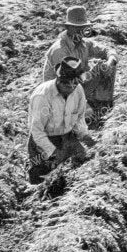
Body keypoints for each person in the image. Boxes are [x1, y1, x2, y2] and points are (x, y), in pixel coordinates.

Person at [27, 54, 93, 190]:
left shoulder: (77, 90)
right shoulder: (43, 97)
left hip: (67, 136)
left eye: (76, 82)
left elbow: (80, 117)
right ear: (60, 80)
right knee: (44, 184)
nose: (74, 87)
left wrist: (84, 136)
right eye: (70, 83)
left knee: (83, 164)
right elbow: (37, 132)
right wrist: (54, 152)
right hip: (43, 141)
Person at [40, 4, 95, 81]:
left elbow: (104, 50)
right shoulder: (59, 50)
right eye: (76, 27)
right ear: (68, 28)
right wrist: (90, 73)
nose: (80, 31)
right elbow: (69, 81)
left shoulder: (83, 43)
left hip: (74, 85)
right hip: (59, 89)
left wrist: (111, 58)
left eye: (82, 27)